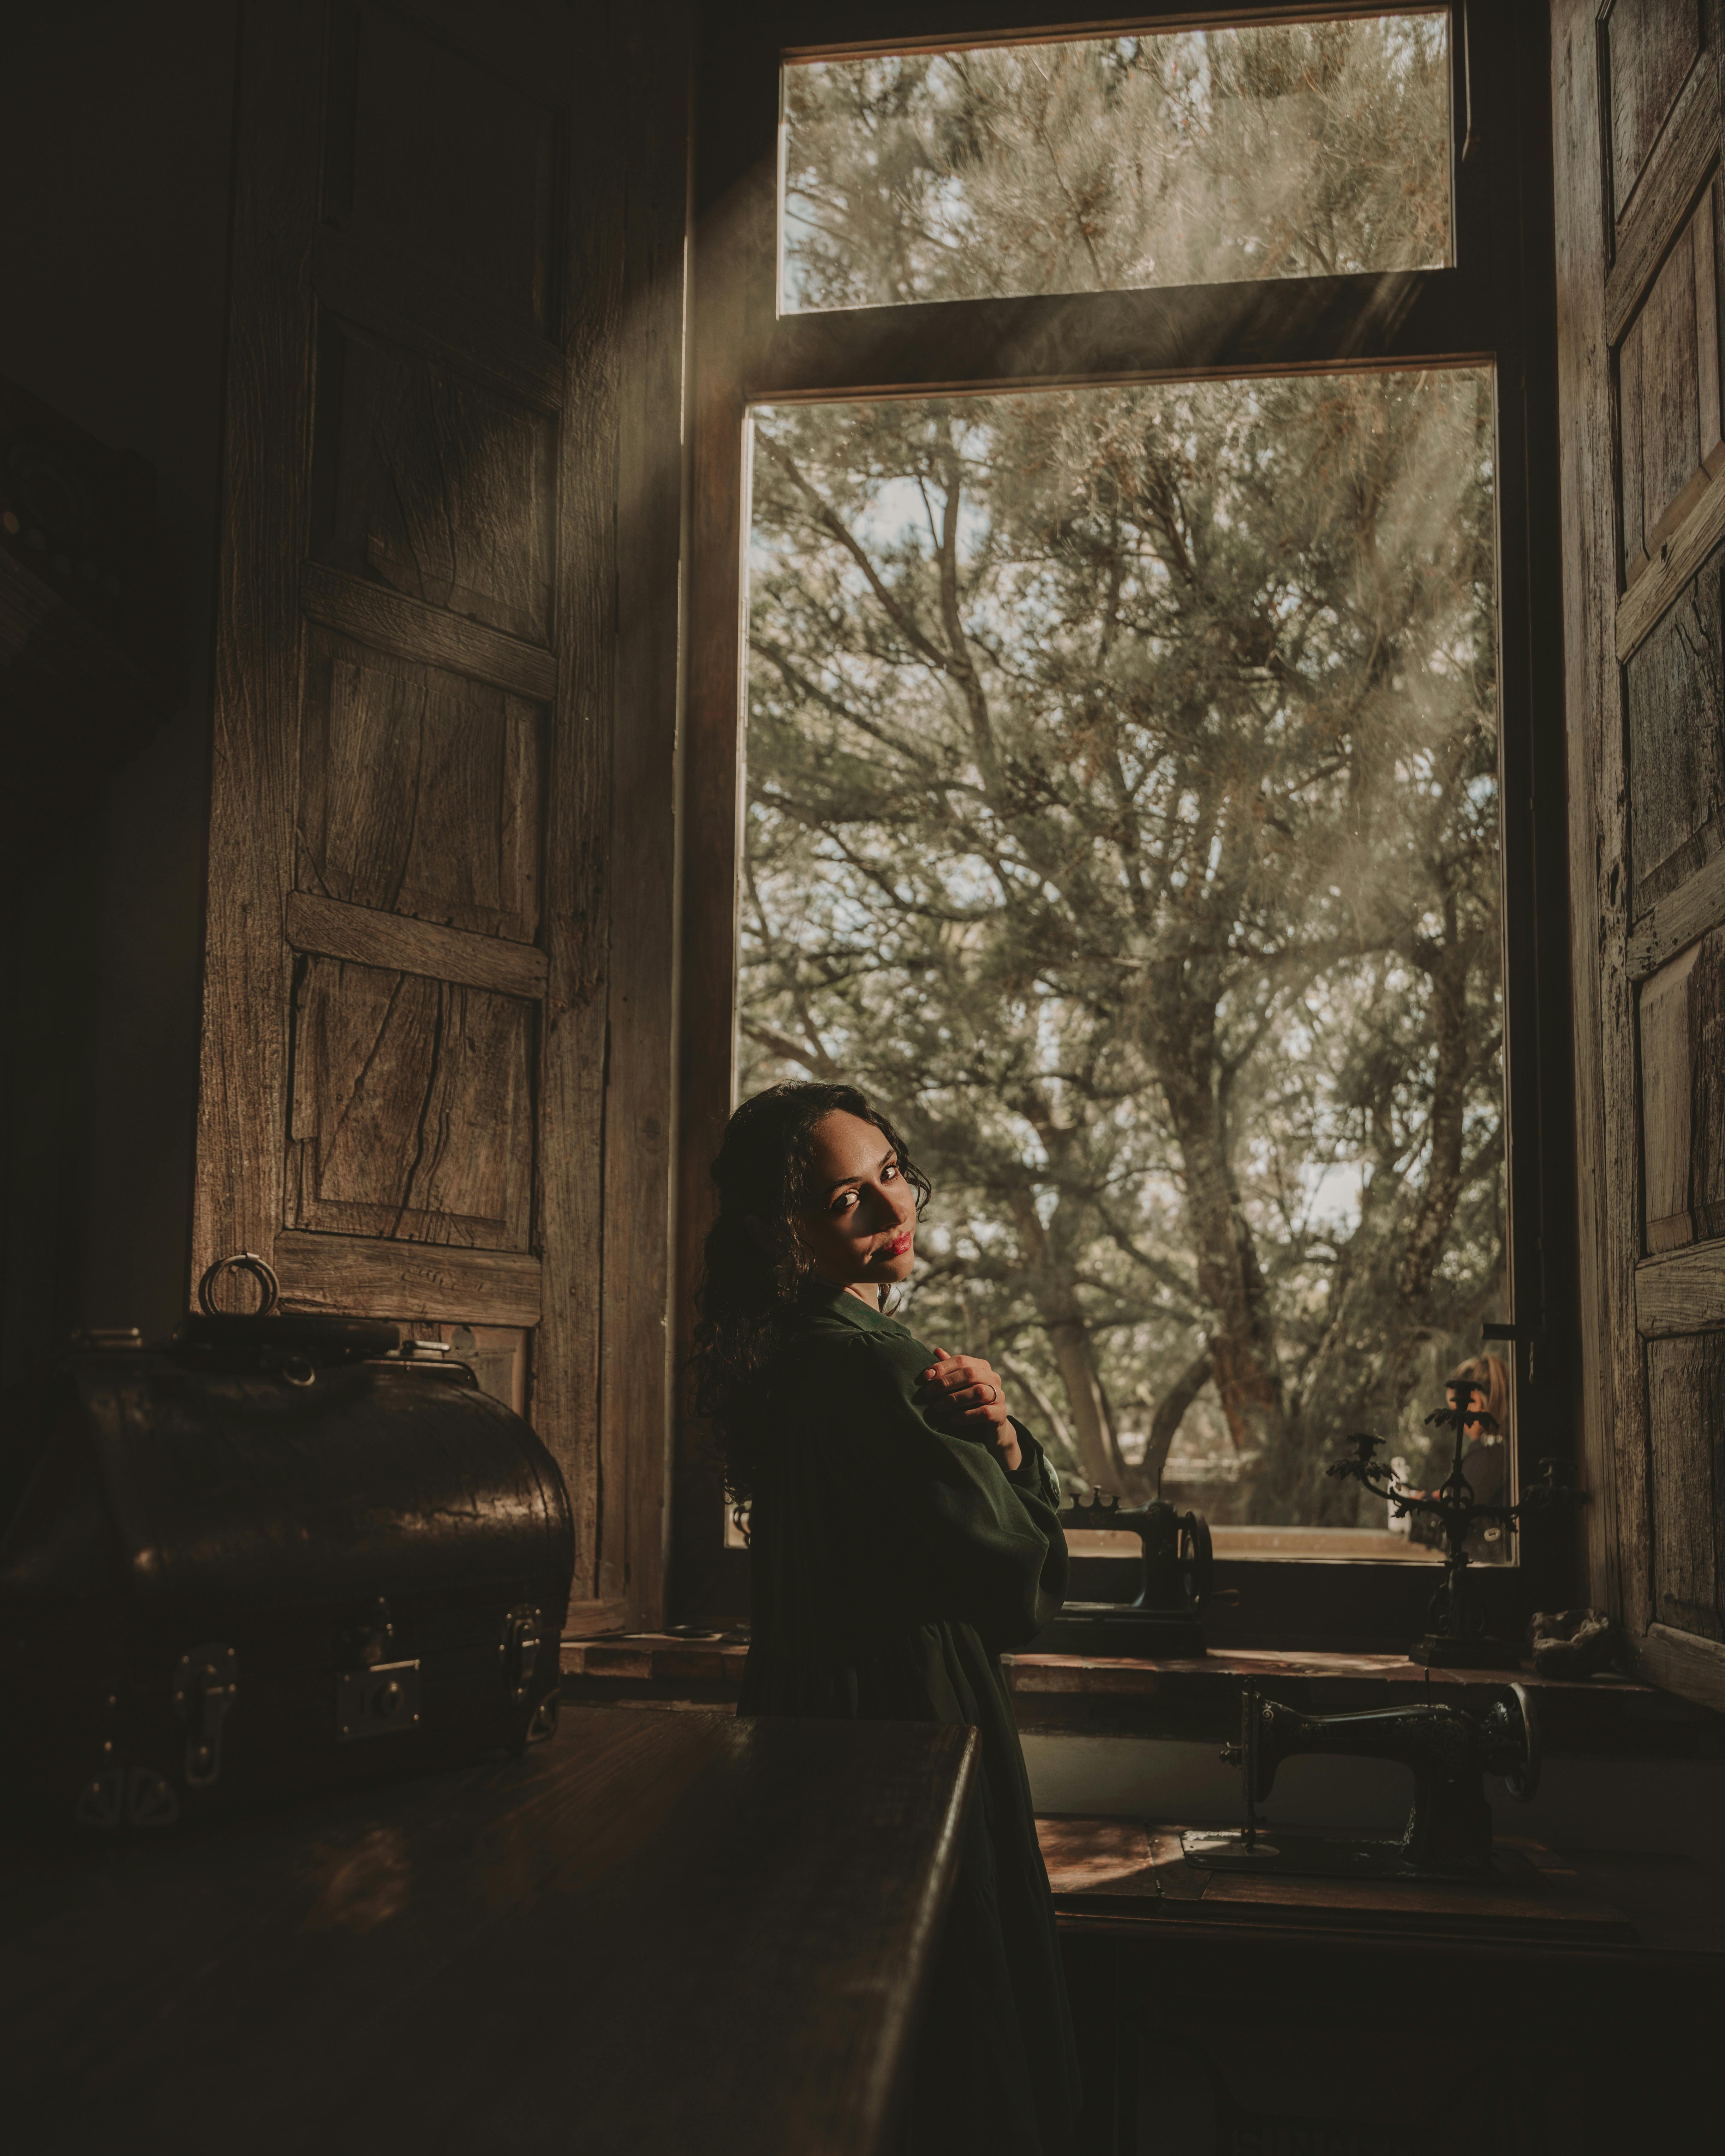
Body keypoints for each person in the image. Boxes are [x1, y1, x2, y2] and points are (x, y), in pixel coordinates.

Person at [690, 1081, 1081, 2156]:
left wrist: (1000, 1442)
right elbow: (1025, 1585)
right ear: (784, 1232)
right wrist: (1014, 1456)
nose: (890, 1208)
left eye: (893, 1173)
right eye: (845, 1199)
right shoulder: (879, 1365)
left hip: (802, 1719)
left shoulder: (787, 1357)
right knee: (960, 2034)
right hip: (915, 1719)